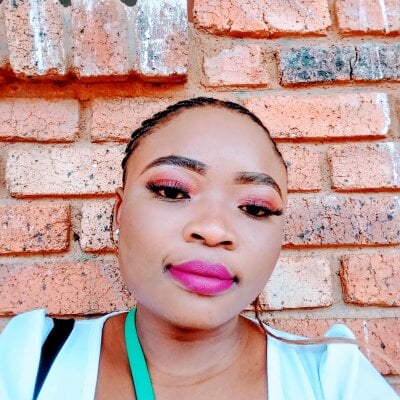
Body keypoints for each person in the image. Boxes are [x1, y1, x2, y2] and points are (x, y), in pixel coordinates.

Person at [0, 97, 398, 400]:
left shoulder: (333, 381)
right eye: (173, 191)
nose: (213, 230)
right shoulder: (29, 360)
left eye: (255, 208)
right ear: (119, 212)